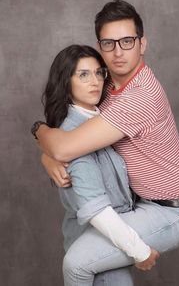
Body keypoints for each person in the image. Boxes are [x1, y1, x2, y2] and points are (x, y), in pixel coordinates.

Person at [33, 0, 179, 286]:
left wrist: (42, 137)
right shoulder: (104, 89)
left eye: (127, 41)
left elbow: (64, 146)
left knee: (77, 264)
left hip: (176, 209)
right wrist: (48, 154)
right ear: (100, 46)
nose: (117, 52)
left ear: (143, 44)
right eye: (108, 43)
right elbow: (67, 134)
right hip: (139, 206)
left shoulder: (139, 97)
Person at [37, 44, 158, 286]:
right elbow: (96, 211)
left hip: (111, 242)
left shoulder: (102, 121)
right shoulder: (73, 134)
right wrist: (139, 251)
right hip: (95, 244)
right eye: (83, 74)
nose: (95, 81)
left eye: (98, 72)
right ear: (66, 82)